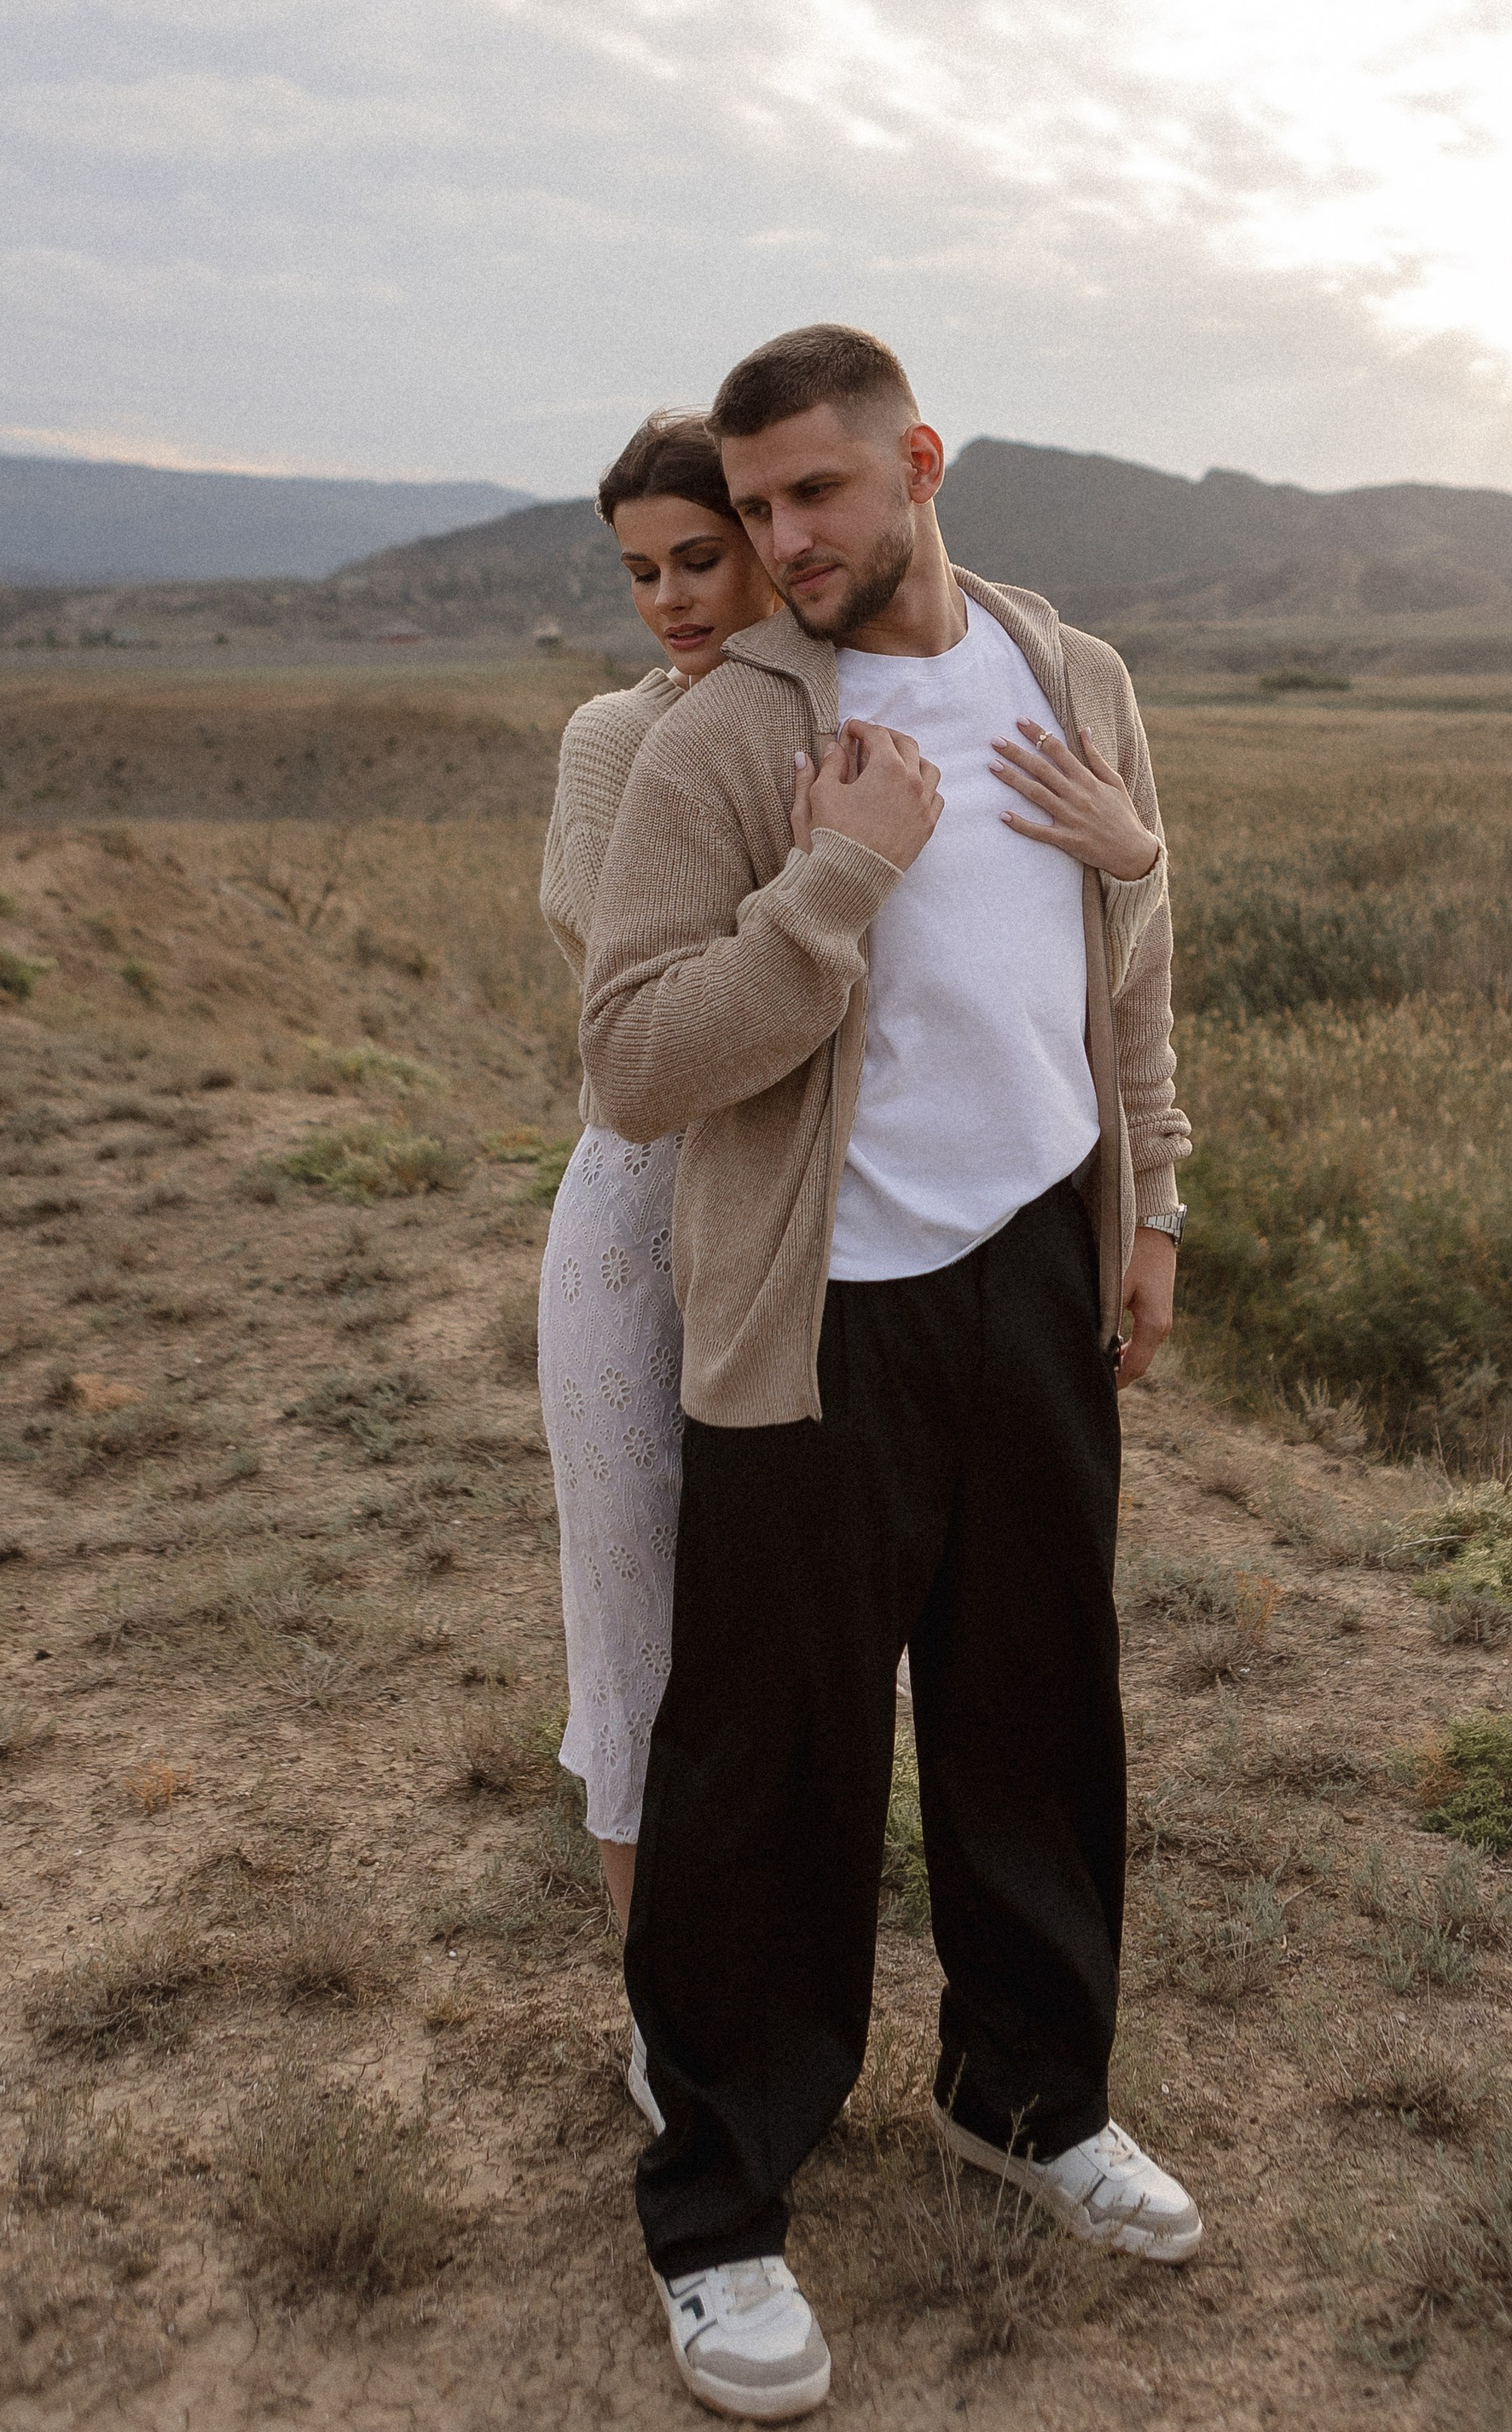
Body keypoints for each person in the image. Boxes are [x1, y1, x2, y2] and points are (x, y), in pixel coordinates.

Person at [580, 324, 1196, 2422]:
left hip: (1036, 1264)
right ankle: (723, 2208)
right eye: (753, 512)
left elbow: (1126, 959)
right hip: (818, 1299)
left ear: (916, 461)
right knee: (777, 1756)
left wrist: (1156, 1206)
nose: (782, 543)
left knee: (1039, 1701)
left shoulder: (1071, 673)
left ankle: (1026, 2103)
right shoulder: (730, 742)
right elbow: (638, 1058)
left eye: (815, 496)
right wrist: (836, 875)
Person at [536, 409, 779, 2120]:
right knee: (629, 1606)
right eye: (640, 570)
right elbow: (625, 979)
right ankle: (659, 2009)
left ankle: (766, 1974)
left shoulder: (838, 719)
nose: (672, 600)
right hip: (640, 1207)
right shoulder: (616, 740)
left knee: (781, 1629)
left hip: (798, 1210)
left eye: (701, 557)